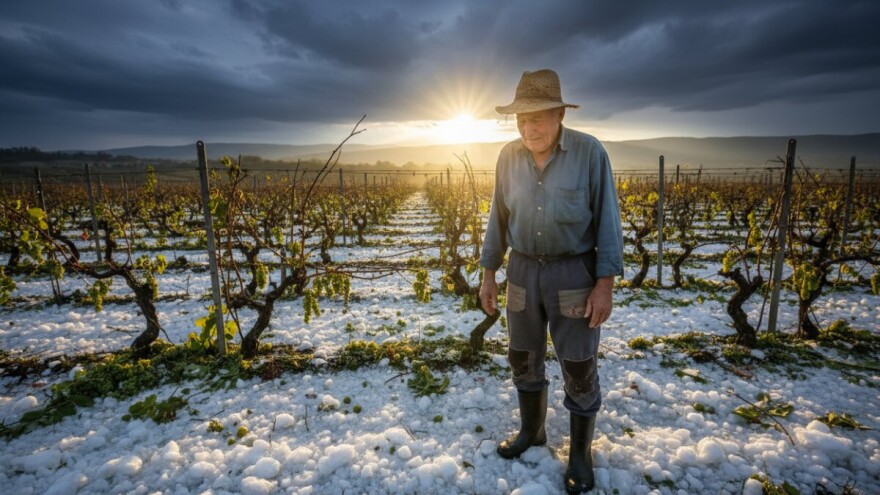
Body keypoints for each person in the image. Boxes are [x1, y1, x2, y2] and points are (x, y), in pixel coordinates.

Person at [479, 69, 623, 494]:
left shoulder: (589, 153)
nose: (529, 127)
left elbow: (608, 223)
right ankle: (532, 432)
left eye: (538, 117)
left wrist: (605, 285)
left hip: (572, 273)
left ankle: (580, 453)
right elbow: (497, 220)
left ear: (560, 113)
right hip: (521, 269)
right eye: (521, 119)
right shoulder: (507, 157)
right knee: (522, 355)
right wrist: (489, 274)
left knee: (578, 362)